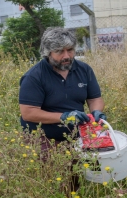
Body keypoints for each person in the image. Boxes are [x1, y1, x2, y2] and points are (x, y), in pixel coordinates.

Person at [19, 27, 107, 155]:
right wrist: (64, 117)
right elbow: (28, 113)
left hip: (76, 136)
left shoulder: (84, 69)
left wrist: (96, 112)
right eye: (59, 51)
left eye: (70, 50)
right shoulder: (34, 76)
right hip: (42, 137)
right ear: (48, 52)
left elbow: (95, 99)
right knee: (55, 171)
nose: (66, 56)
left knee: (87, 170)